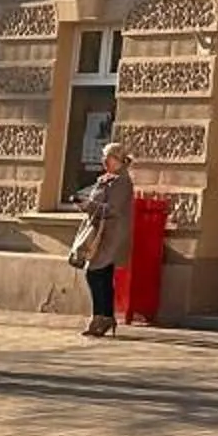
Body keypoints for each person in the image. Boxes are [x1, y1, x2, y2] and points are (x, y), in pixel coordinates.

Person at [71, 144, 134, 338]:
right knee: (103, 275)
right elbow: (96, 204)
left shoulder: (122, 181)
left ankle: (102, 316)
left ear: (118, 159)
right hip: (98, 232)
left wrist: (88, 205)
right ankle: (104, 317)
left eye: (109, 158)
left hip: (111, 234)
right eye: (103, 157)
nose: (104, 161)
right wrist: (83, 203)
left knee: (95, 272)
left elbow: (112, 209)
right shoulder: (104, 180)